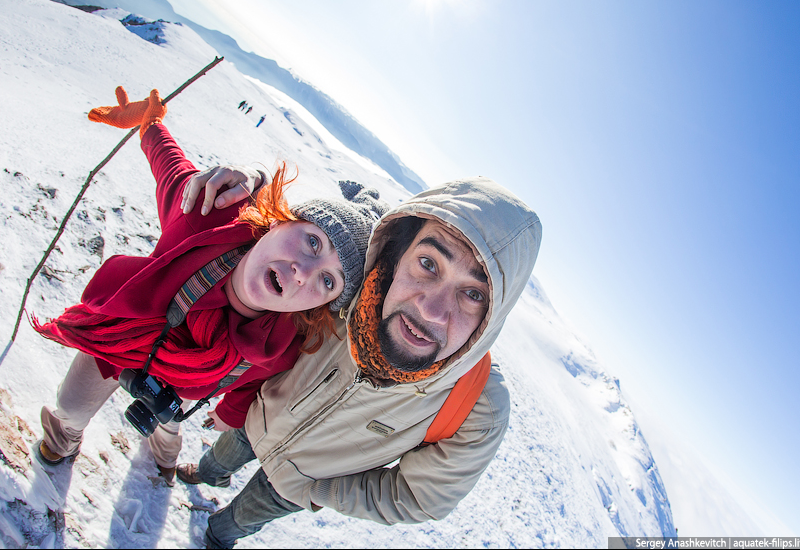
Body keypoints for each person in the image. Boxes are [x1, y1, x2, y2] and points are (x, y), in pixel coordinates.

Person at [31, 87, 388, 485]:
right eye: (313, 241)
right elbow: (173, 170)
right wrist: (150, 125)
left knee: (168, 425)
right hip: (122, 333)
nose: (303, 272)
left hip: (187, 388)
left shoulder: (284, 341)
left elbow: (252, 383)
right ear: (278, 221)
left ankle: (165, 455)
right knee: (71, 403)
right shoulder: (209, 218)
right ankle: (65, 437)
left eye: (328, 280)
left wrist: (229, 414)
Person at [175, 162, 542, 547]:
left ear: (492, 315)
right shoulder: (347, 283)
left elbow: (419, 497)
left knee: (241, 519)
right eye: (429, 264)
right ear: (399, 254)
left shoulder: (477, 404)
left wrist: (323, 491)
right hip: (255, 420)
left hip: (294, 485)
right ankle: (208, 474)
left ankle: (216, 537)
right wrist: (252, 183)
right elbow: (289, 246)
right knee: (219, 457)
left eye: (473, 294)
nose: (431, 311)